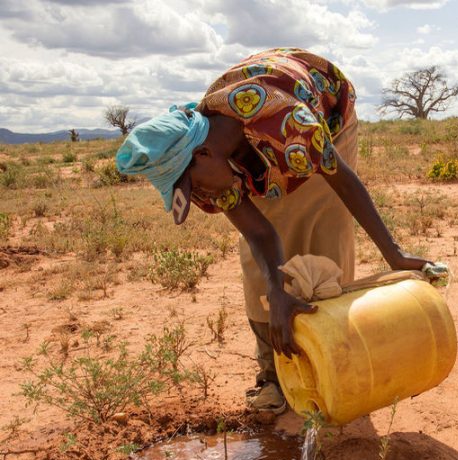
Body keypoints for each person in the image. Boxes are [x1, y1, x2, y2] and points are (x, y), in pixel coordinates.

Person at [116, 48, 430, 415]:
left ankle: (332, 364)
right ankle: (273, 373)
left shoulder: (290, 124)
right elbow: (260, 235)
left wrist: (394, 255)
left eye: (193, 187)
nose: (200, 198)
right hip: (255, 144)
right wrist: (276, 292)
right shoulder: (211, 160)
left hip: (325, 120)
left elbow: (344, 184)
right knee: (260, 268)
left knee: (322, 236)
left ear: (202, 156)